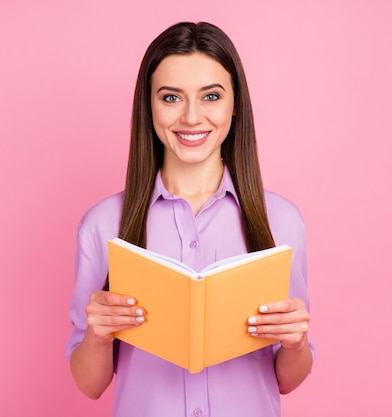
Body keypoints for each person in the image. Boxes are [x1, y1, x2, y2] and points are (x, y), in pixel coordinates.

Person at [66, 21, 313, 416]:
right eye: (171, 97)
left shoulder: (280, 221)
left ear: (235, 104)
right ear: (149, 105)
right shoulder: (103, 224)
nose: (192, 117)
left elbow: (288, 379)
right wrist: (97, 336)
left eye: (211, 96)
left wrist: (296, 343)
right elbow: (89, 385)